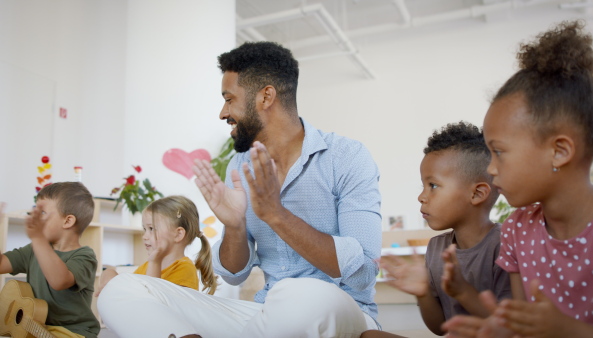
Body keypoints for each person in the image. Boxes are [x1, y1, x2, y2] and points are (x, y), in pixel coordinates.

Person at [97, 41, 382, 338]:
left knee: (300, 295)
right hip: (265, 313)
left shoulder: (346, 157)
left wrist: (276, 215)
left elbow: (363, 272)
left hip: (341, 310)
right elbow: (234, 276)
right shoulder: (240, 164)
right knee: (121, 288)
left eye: (229, 99)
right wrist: (234, 226)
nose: (223, 112)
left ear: (266, 96)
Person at [442, 20, 593, 338]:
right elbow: (523, 323)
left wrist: (567, 331)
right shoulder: (517, 228)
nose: (492, 168)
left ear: (559, 151)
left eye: (499, 152)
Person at [362, 122, 511, 338]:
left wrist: (464, 292)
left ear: (477, 194)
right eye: (423, 186)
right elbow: (440, 328)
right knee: (369, 336)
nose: (421, 197)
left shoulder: (505, 244)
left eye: (433, 185)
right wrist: (423, 294)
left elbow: (509, 330)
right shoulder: (437, 246)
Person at [0, 182, 100, 338]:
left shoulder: (85, 256)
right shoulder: (34, 249)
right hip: (35, 327)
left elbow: (59, 280)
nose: (34, 217)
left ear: (67, 221)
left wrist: (38, 238)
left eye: (43, 212)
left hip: (74, 332)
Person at [95, 195, 217, 295]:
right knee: (109, 271)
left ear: (178, 234)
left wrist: (155, 263)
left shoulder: (185, 268)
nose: (145, 236)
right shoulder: (145, 266)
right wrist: (109, 275)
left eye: (152, 228)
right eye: (145, 229)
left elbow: (154, 303)